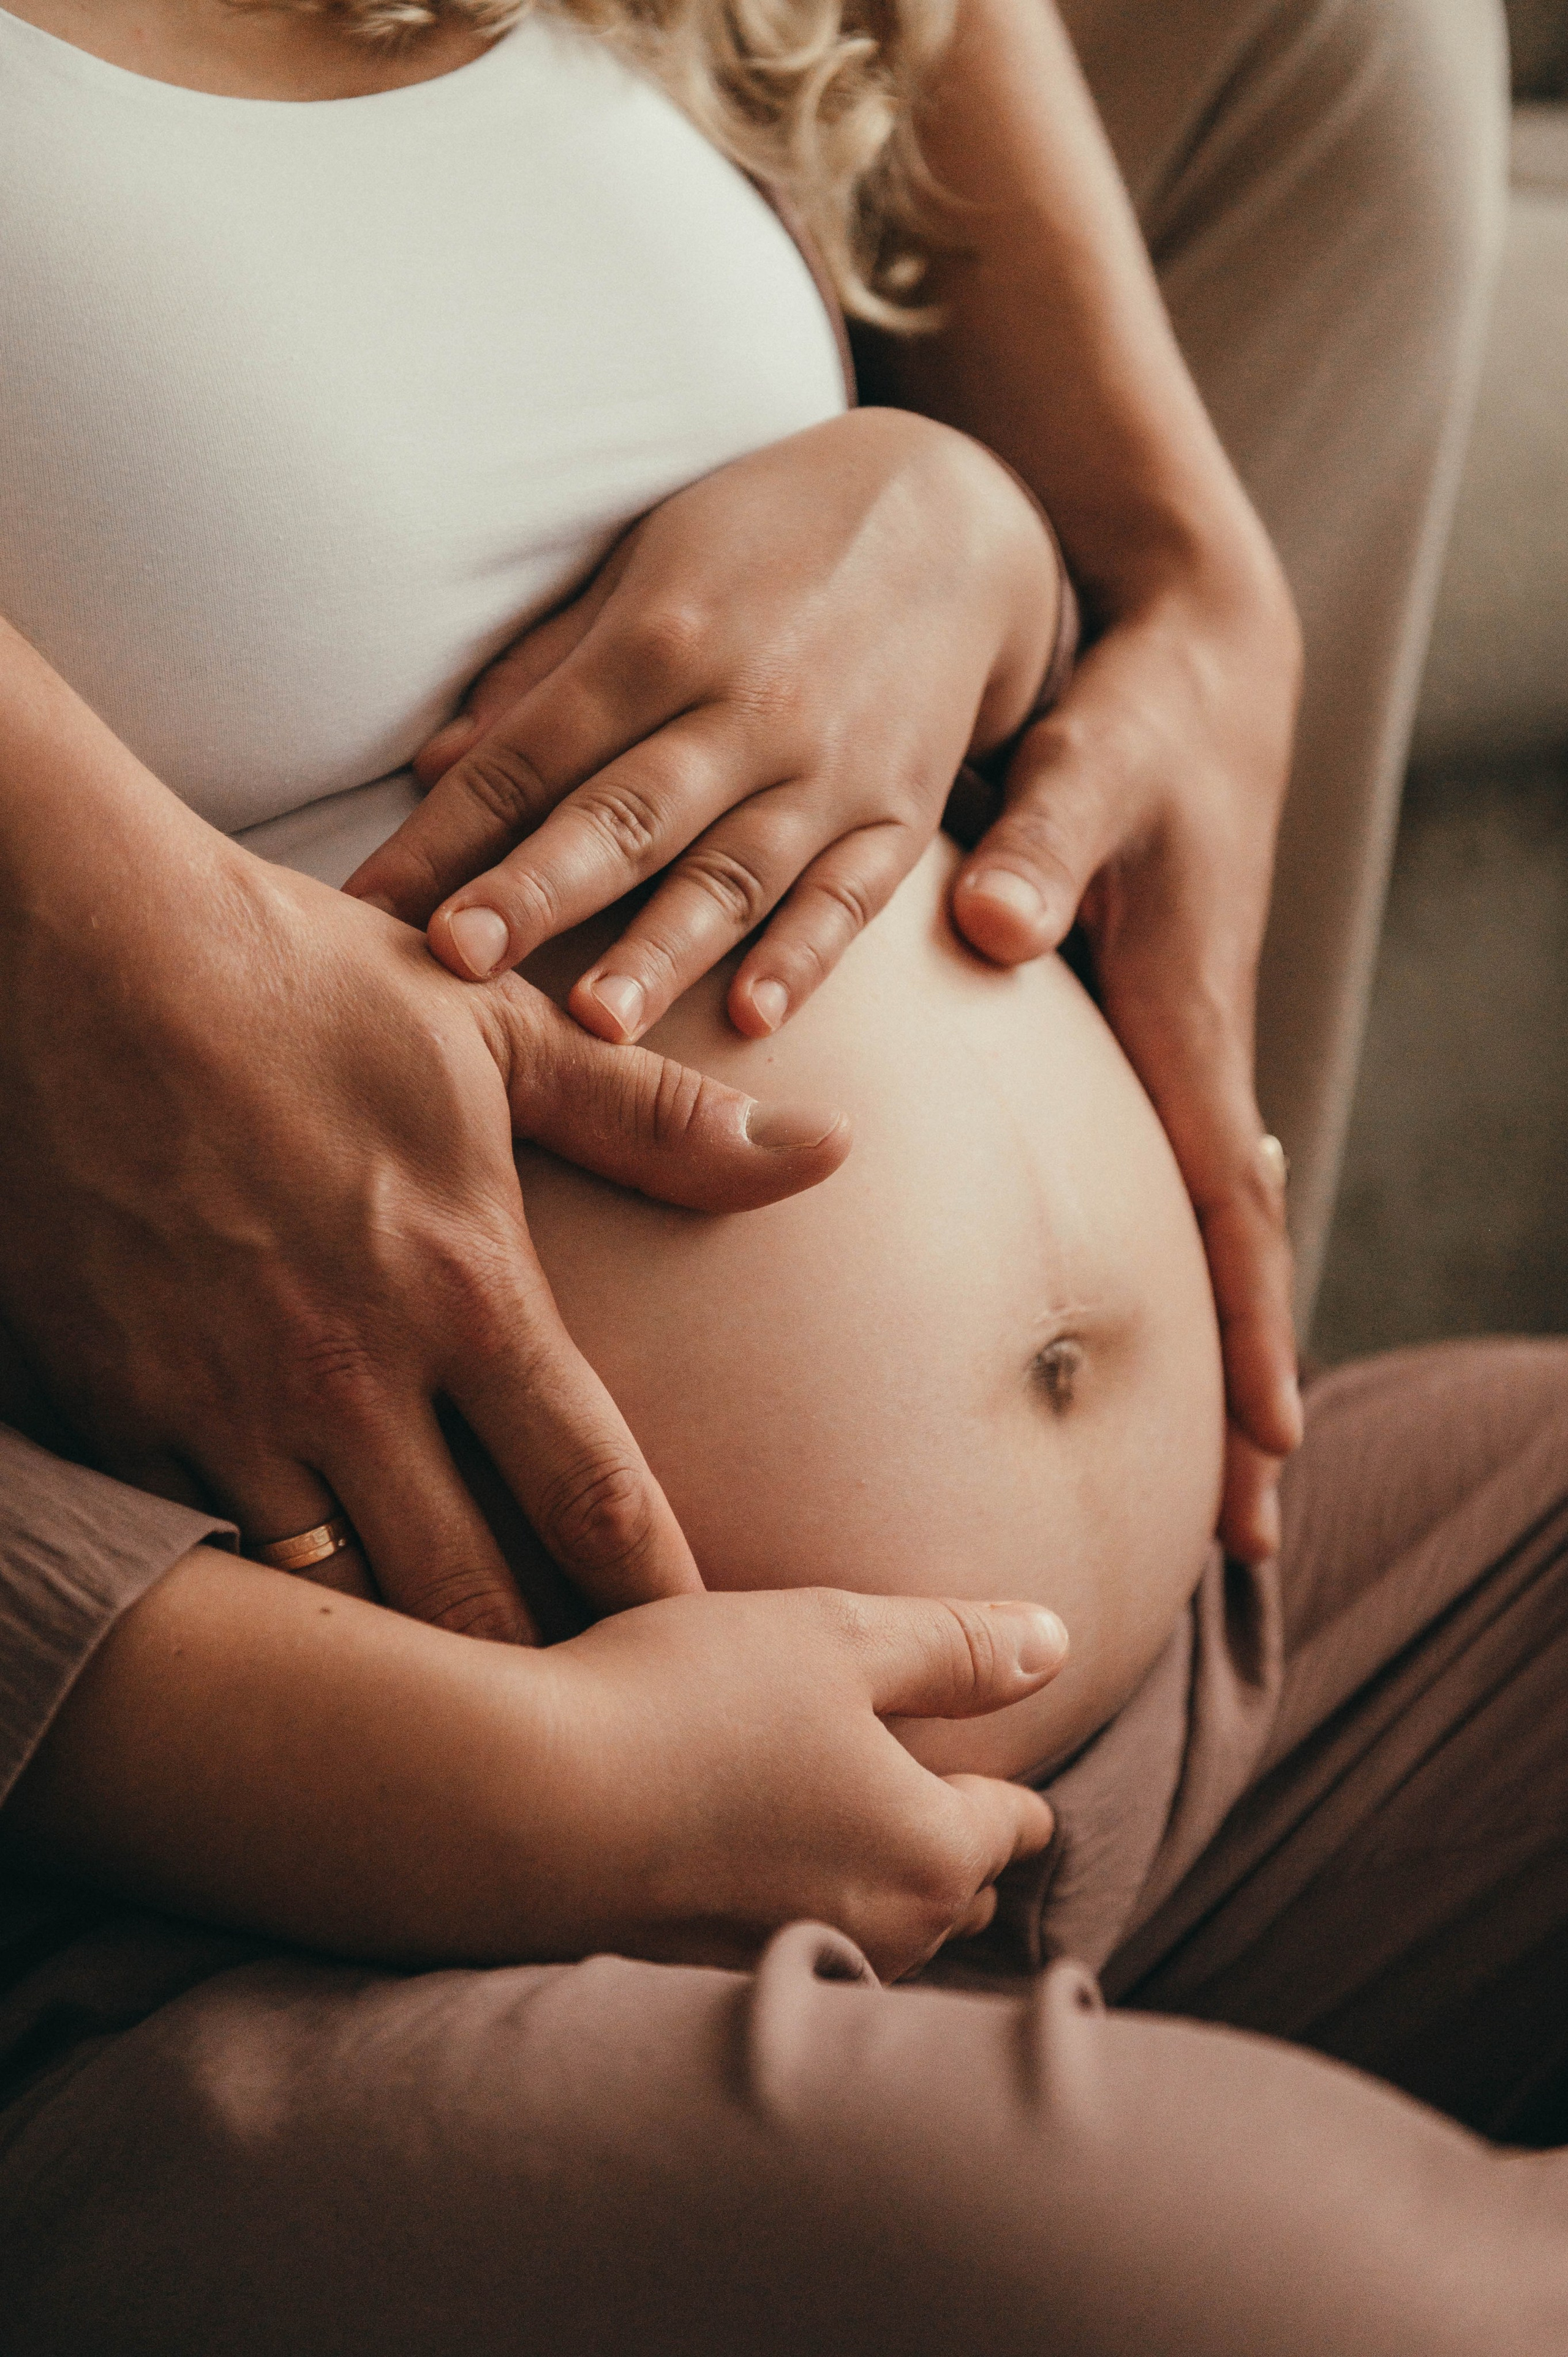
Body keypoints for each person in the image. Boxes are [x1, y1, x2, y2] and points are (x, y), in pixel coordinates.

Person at [2, 2, 1564, 2353]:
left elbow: (1110, 535)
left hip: (1201, 1709)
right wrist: (488, 1783)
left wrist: (990, 534)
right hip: (347, 1934)